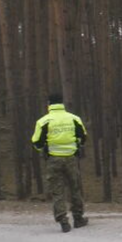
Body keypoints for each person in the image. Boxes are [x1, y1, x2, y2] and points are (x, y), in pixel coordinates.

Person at [31, 92, 88, 233]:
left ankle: (63, 221)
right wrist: (74, 146)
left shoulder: (43, 121)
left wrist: (44, 149)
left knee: (57, 191)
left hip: (53, 160)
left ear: (49, 104)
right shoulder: (74, 118)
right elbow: (83, 136)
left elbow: (36, 142)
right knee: (75, 188)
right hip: (71, 158)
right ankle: (78, 218)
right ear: (62, 103)